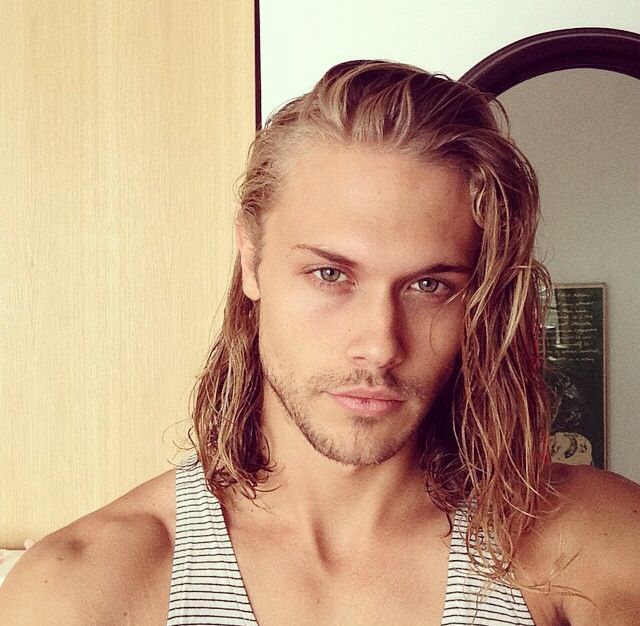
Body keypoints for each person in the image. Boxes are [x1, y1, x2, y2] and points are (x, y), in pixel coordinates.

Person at [1, 60, 638, 626]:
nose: (380, 345)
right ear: (250, 259)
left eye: (429, 285)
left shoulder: (592, 546)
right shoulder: (82, 590)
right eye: (330, 274)